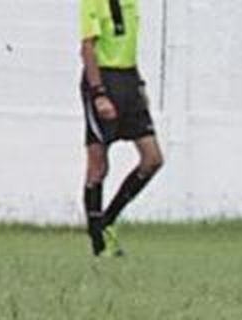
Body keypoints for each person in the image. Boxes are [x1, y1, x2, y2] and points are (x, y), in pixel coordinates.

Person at [80, 0, 165, 257]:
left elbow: (128, 46)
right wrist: (99, 93)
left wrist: (138, 84)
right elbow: (87, 49)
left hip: (128, 81)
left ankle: (107, 221)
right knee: (98, 166)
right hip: (104, 80)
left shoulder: (131, 4)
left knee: (152, 159)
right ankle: (98, 241)